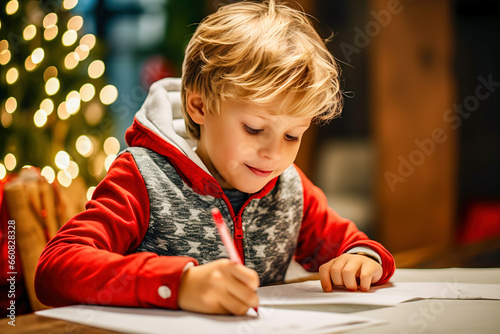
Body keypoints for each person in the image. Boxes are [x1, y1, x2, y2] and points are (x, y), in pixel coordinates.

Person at [35, 0, 395, 316]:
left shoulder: (289, 188)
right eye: (254, 129)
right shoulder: (142, 178)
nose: (274, 153)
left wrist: (362, 260)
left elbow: (354, 246)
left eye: (292, 135)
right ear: (199, 106)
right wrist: (180, 284)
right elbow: (56, 269)